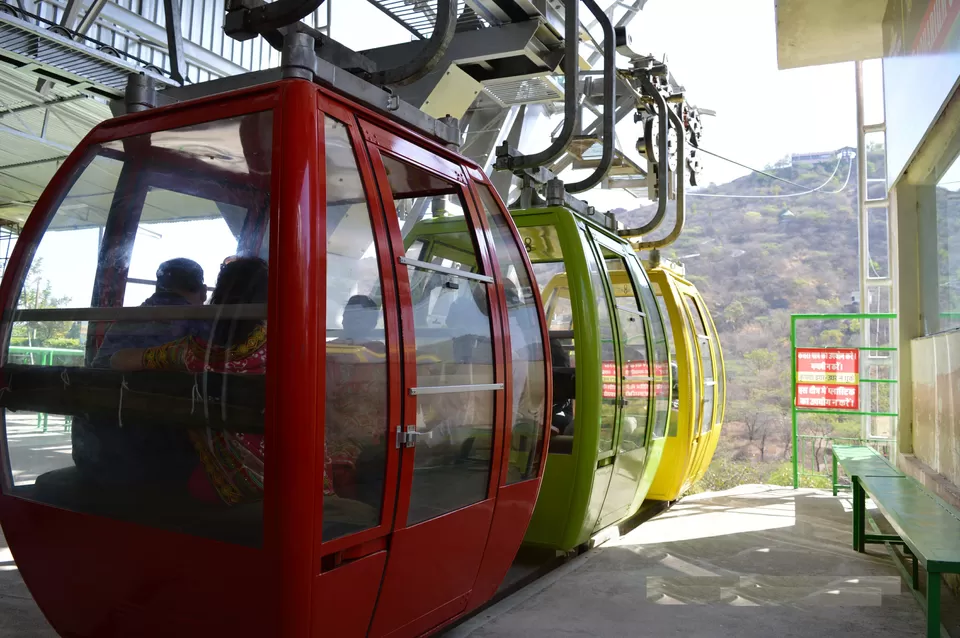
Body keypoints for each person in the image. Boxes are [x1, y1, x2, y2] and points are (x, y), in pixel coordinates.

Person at [111, 257, 268, 505]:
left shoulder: (191, 351)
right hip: (280, 481)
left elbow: (117, 360)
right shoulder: (284, 351)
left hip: (204, 476)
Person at [71, 258, 208, 488]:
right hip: (165, 467)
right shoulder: (203, 324)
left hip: (93, 457)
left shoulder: (127, 319)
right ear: (203, 292)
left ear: (157, 287)